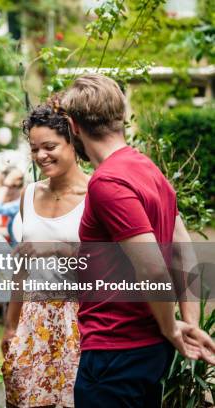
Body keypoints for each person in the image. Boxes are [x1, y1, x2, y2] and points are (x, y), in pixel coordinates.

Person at [61, 74, 215, 407]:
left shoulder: (107, 182)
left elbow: (155, 270)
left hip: (115, 353)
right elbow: (184, 252)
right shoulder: (149, 170)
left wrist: (171, 327)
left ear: (73, 126)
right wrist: (186, 323)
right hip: (145, 353)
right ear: (120, 114)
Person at [1, 100, 90, 408]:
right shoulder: (30, 194)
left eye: (49, 146)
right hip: (33, 318)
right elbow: (21, 267)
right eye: (35, 149)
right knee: (25, 396)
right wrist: (11, 325)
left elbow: (111, 261)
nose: (41, 156)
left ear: (73, 142)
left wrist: (58, 249)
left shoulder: (94, 194)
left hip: (78, 320)